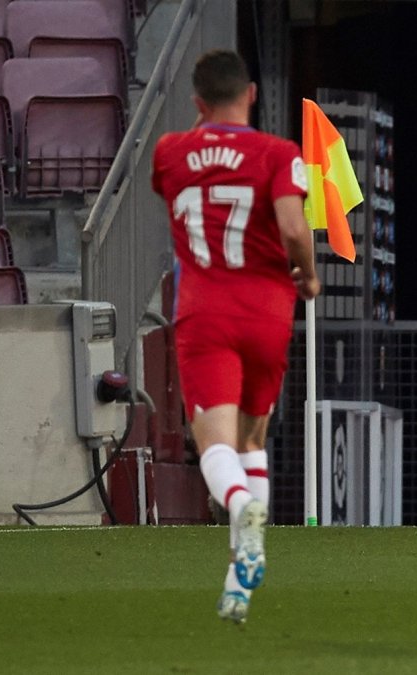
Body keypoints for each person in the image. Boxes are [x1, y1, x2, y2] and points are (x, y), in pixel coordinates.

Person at [151, 50, 320, 623]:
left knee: (217, 448)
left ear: (198, 102)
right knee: (253, 441)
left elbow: (184, 174)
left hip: (206, 313)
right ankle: (239, 582)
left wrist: (205, 132)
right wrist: (310, 275)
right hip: (269, 312)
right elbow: (294, 227)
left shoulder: (171, 152)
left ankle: (241, 505)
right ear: (252, 93)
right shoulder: (278, 153)